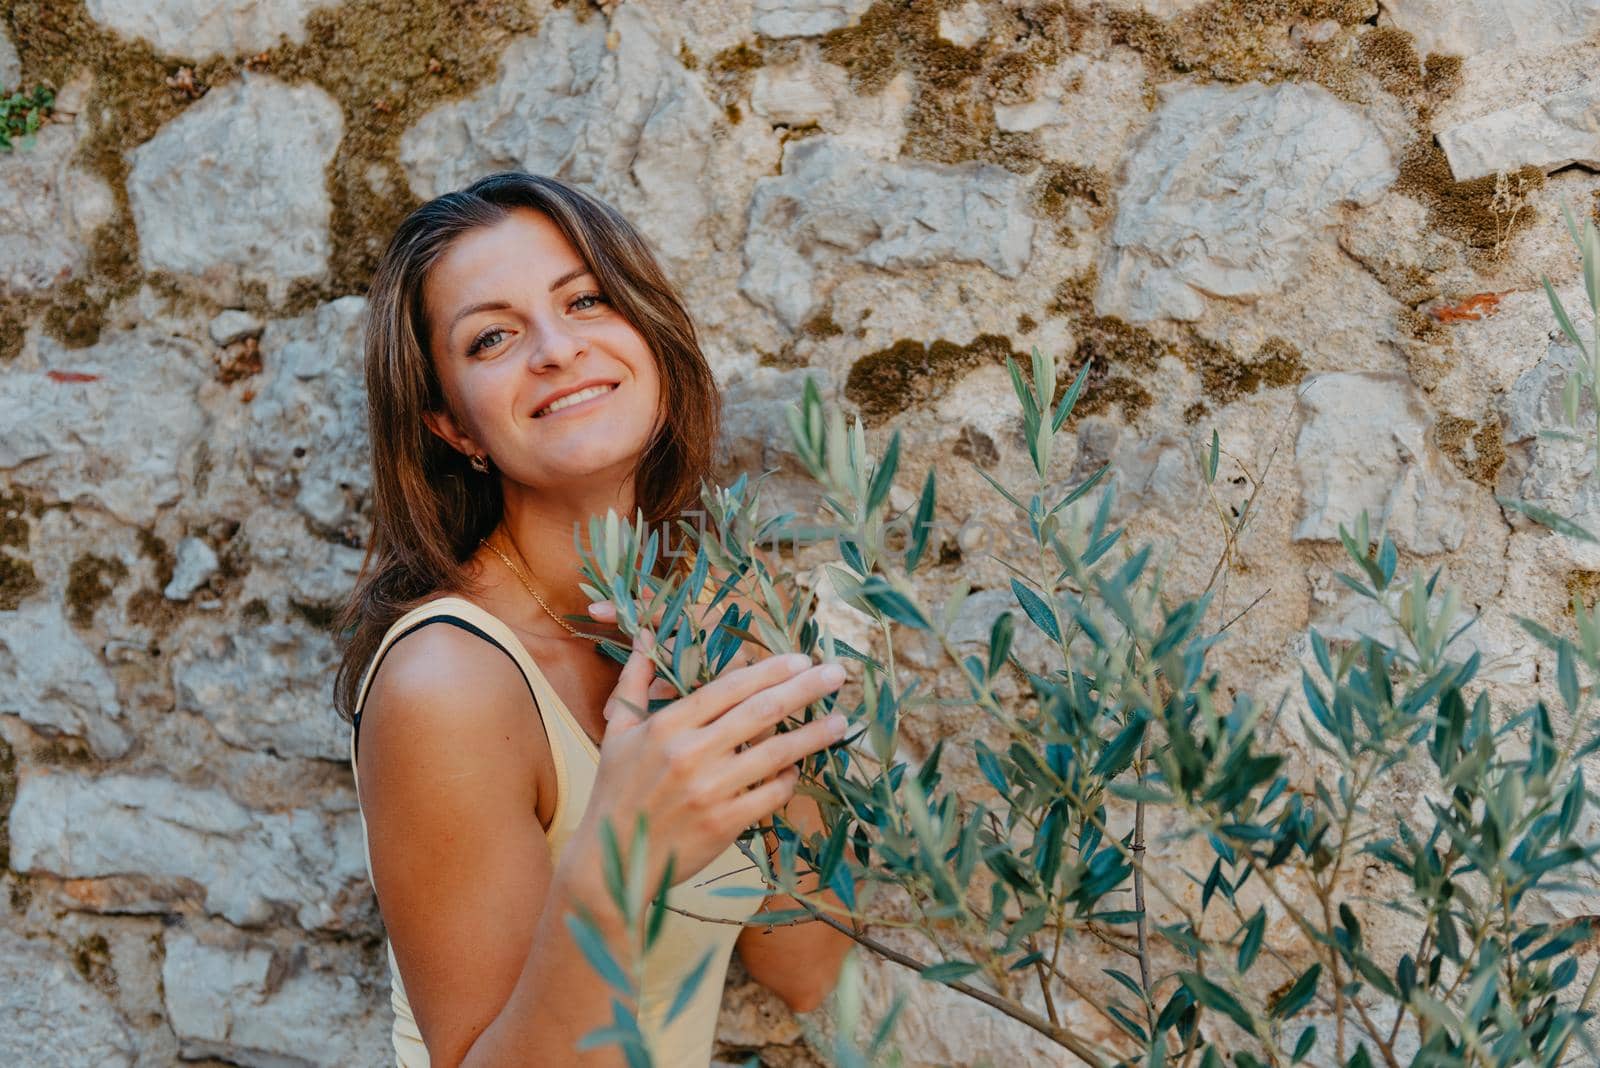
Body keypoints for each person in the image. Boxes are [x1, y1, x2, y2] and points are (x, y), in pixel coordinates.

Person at [334, 171, 855, 1067]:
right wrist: (622, 859)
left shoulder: (719, 618)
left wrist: (779, 701)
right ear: (453, 427)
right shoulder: (448, 685)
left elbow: (803, 965)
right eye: (491, 336)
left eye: (586, 300)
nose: (556, 348)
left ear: (647, 336)